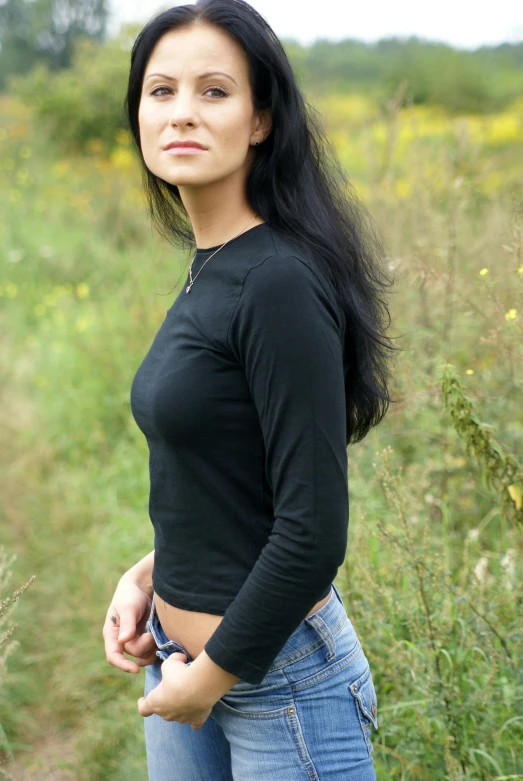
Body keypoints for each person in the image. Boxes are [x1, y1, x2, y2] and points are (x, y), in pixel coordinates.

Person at [102, 1, 396, 778]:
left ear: (261, 119)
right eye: (160, 91)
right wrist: (149, 576)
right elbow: (231, 484)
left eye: (214, 91)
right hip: (185, 665)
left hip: (279, 684)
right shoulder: (213, 265)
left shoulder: (276, 279)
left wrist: (208, 676)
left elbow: (312, 528)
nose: (181, 114)